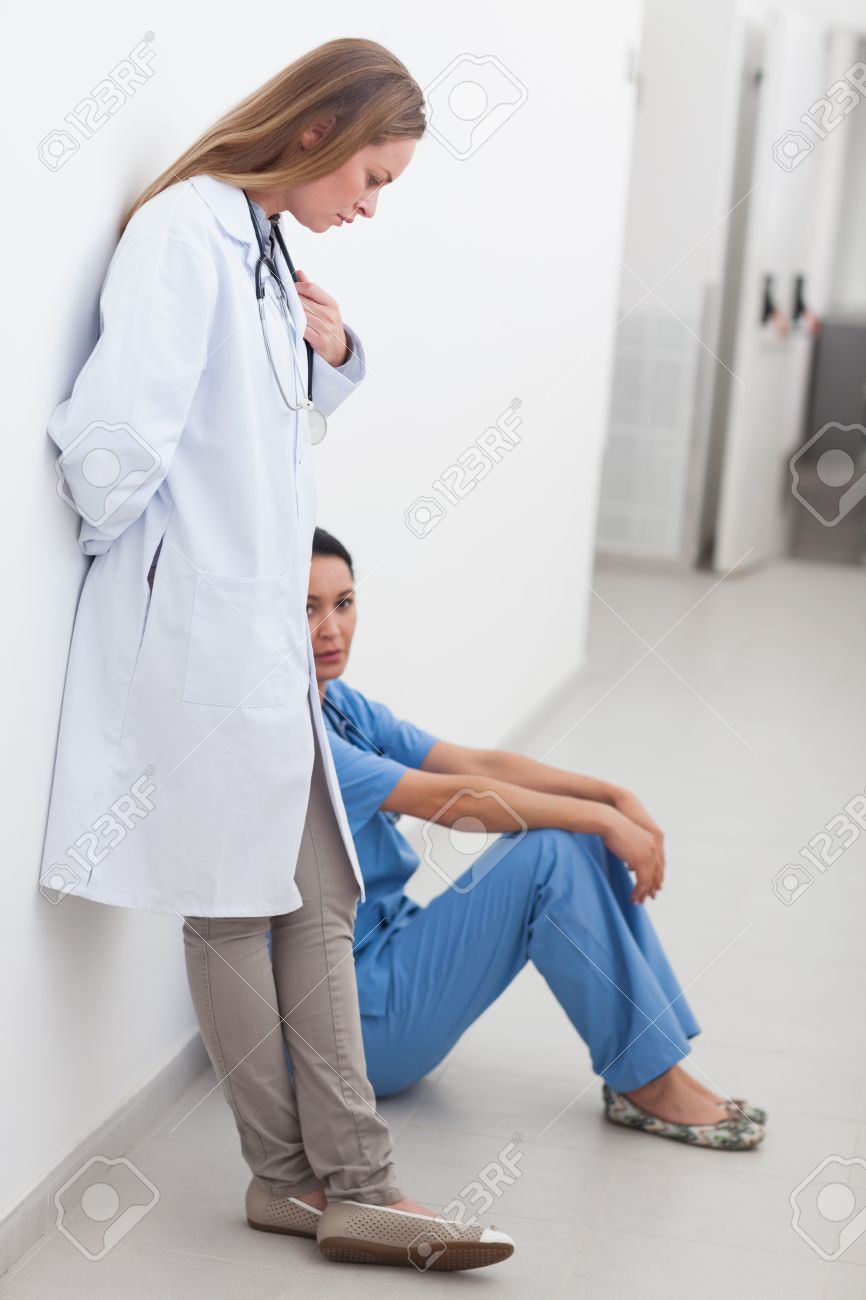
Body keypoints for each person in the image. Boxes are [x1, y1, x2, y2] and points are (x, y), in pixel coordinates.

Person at [40, 39, 514, 1272]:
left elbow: (262, 424)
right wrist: (145, 557)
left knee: (318, 894)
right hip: (202, 642)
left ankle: (339, 1182)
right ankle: (319, 1184)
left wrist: (335, 355)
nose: (369, 205)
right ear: (315, 132)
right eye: (372, 176)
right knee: (235, 905)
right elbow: (117, 435)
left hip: (255, 644)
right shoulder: (184, 235)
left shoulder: (253, 243)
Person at [306, 527, 768, 1152]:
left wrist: (608, 796)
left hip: (388, 962)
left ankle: (654, 1065)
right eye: (307, 608)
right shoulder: (300, 737)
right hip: (356, 1029)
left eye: (343, 602)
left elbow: (476, 764)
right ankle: (648, 1079)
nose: (332, 628)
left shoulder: (339, 705)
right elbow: (451, 802)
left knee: (575, 836)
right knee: (553, 848)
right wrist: (600, 818)